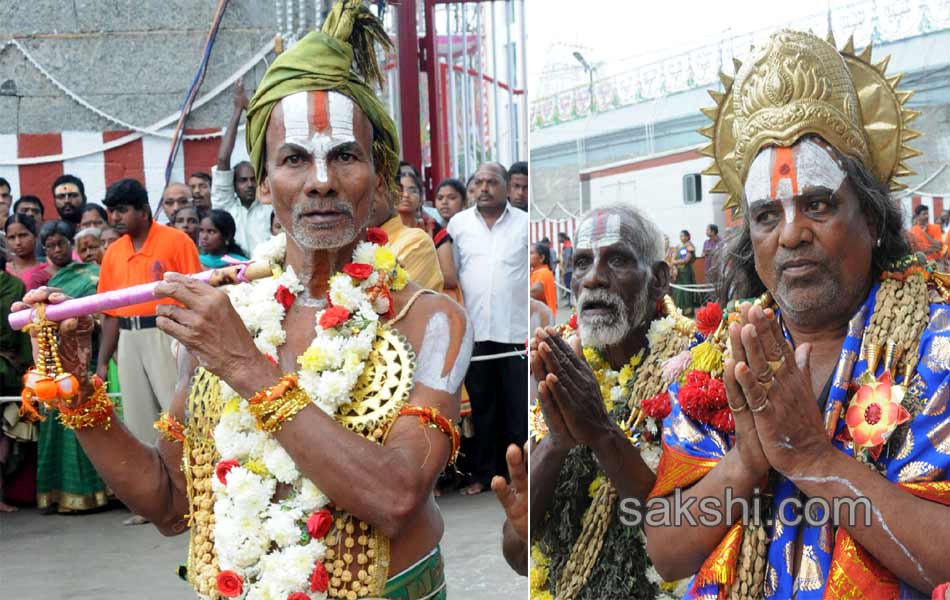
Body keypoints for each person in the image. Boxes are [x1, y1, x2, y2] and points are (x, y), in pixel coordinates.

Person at [14, 5, 472, 599]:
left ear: (378, 176)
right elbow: (169, 502)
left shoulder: (431, 321)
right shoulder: (224, 316)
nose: (321, 181)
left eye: (345, 156)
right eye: (295, 159)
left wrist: (244, 367)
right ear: (263, 181)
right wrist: (81, 396)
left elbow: (396, 497)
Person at [646, 30, 950, 599]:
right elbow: (664, 549)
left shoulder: (940, 342)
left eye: (817, 203)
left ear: (874, 218)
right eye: (766, 215)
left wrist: (813, 458)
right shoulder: (720, 357)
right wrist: (745, 462)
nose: (790, 233)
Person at [527, 204, 693, 599]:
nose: (593, 279)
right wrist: (555, 442)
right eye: (581, 262)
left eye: (616, 259)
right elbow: (517, 550)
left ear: (658, 280)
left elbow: (685, 533)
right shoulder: (561, 364)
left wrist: (601, 431)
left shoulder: (698, 366)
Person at [95, 178, 202, 527]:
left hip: (165, 330)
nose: (116, 217)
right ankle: (152, 503)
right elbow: (109, 311)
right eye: (112, 210)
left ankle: (198, 493)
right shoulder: (113, 251)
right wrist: (101, 363)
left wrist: (191, 341)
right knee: (140, 419)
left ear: (144, 210)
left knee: (180, 411)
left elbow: (194, 290)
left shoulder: (175, 240)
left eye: (123, 210)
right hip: (128, 338)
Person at [448, 161, 528, 495]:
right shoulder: (458, 225)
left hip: (515, 333)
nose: (484, 188)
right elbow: (451, 277)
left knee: (517, 406)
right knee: (482, 407)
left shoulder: (524, 224)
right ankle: (485, 475)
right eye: (478, 181)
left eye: (491, 181)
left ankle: (521, 473)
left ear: (506, 186)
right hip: (476, 334)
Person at [33, 219, 107, 513]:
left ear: (70, 245)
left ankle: (95, 493)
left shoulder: (90, 276)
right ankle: (57, 494)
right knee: (57, 422)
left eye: (61, 243)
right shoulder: (41, 282)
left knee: (83, 413)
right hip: (50, 359)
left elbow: (102, 313)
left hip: (81, 354)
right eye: (49, 245)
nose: (56, 249)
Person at [212, 79, 273, 256]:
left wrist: (251, 112)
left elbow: (272, 149)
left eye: (254, 179)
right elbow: (223, 159)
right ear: (234, 184)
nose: (250, 184)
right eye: (243, 180)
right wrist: (238, 110)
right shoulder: (225, 206)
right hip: (234, 274)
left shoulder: (271, 206)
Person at [370, 177, 444, 292]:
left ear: (395, 192)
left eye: (371, 188)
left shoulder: (418, 242)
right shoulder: (352, 239)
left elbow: (382, 303)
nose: (362, 198)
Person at [0, 252, 32, 513]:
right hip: (10, 368)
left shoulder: (17, 285)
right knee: (5, 434)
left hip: (7, 369)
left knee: (4, 433)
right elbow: (22, 334)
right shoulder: (15, 285)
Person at [397, 172, 457, 298]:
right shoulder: (381, 230)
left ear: (421, 199)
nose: (406, 195)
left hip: (428, 302)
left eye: (412, 190)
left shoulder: (433, 229)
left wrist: (418, 273)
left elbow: (450, 277)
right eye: (400, 189)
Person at [4, 214, 49, 290]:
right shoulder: (4, 270)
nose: (18, 242)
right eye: (12, 237)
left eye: (23, 235)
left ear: (35, 236)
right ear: (6, 239)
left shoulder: (46, 271)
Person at [671, 229, 699, 315]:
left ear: (687, 237)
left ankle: (688, 312)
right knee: (678, 291)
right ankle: (679, 311)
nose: (681, 238)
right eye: (680, 236)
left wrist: (675, 262)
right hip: (678, 273)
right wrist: (674, 267)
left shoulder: (689, 246)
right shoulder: (678, 246)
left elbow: (687, 260)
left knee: (686, 291)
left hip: (686, 273)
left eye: (683, 236)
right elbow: (672, 258)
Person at [529, 242, 557, 318]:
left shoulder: (544, 273)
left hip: (542, 320)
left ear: (541, 258)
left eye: (531, 253)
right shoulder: (535, 272)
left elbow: (533, 292)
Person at [702, 223, 721, 292]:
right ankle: (711, 302)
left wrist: (712, 251)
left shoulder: (721, 241)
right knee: (709, 289)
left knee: (719, 288)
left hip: (718, 270)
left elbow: (723, 253)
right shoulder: (706, 242)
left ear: (713, 232)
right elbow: (703, 254)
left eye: (707, 230)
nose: (706, 232)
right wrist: (705, 253)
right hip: (708, 269)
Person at [558, 232, 573, 308]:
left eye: (559, 237)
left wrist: (564, 269)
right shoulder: (565, 246)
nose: (558, 239)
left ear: (563, 238)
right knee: (567, 286)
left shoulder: (567, 246)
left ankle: (571, 303)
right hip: (567, 269)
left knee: (568, 286)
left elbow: (567, 258)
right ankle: (569, 302)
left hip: (569, 269)